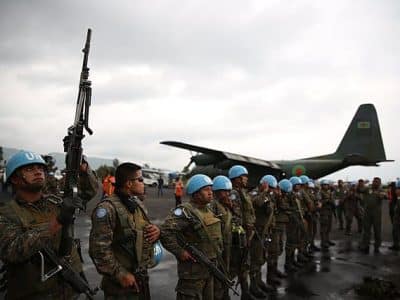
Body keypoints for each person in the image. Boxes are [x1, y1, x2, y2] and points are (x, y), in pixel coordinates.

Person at [0, 150, 97, 299]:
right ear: (14, 179)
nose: (38, 172)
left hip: (69, 290)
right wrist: (57, 222)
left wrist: (82, 168)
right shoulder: (6, 213)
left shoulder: (55, 200)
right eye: (29, 169)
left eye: (40, 168)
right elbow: (13, 250)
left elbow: (88, 191)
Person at [89, 162, 161, 299]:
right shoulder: (107, 209)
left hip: (141, 279)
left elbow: (144, 230)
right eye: (140, 180)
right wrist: (119, 273)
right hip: (120, 286)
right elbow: (98, 249)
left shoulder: (137, 204)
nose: (143, 183)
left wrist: (156, 231)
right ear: (128, 183)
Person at [160, 174, 223, 300]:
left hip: (209, 269)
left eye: (211, 189)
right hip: (192, 273)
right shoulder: (185, 212)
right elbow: (165, 231)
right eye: (206, 189)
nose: (211, 192)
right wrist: (180, 252)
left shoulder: (209, 210)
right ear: (196, 193)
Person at [228, 165, 257, 300]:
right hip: (239, 234)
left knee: (245, 263)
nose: (246, 179)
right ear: (237, 179)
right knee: (235, 265)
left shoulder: (243, 192)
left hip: (246, 232)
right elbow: (236, 216)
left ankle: (246, 293)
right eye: (244, 177)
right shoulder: (233, 193)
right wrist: (242, 233)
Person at [249, 175, 276, 296]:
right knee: (255, 261)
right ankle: (253, 287)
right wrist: (264, 192)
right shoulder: (255, 193)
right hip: (257, 234)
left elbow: (270, 212)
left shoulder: (268, 196)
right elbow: (258, 203)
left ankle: (259, 282)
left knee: (261, 259)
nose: (272, 190)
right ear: (264, 185)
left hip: (264, 232)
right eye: (270, 187)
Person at [210, 175, 233, 300]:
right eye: (225, 191)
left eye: (229, 191)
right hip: (217, 247)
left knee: (226, 271)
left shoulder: (226, 205)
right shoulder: (212, 206)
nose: (228, 194)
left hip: (227, 245)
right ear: (217, 191)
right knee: (218, 274)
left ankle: (225, 295)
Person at [359, 177, 386, 254]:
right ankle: (365, 245)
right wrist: (362, 184)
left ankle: (377, 245)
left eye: (377, 182)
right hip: (367, 212)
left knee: (377, 229)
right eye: (374, 181)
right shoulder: (368, 189)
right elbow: (360, 190)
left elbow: (384, 196)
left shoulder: (381, 190)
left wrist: (380, 194)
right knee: (366, 229)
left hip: (376, 213)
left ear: (380, 183)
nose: (375, 183)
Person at [318, 179, 335, 250]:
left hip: (329, 211)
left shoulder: (329, 192)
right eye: (324, 185)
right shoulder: (320, 193)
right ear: (322, 186)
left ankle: (327, 240)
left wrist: (332, 202)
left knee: (328, 227)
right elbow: (319, 202)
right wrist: (327, 201)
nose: (326, 186)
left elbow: (332, 200)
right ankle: (323, 242)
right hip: (323, 212)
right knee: (324, 228)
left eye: (327, 185)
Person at [389, 180, 400, 251]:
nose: (396, 190)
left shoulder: (398, 197)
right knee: (395, 230)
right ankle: (396, 245)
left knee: (396, 230)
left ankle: (396, 245)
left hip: (398, 216)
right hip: (395, 215)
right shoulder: (394, 196)